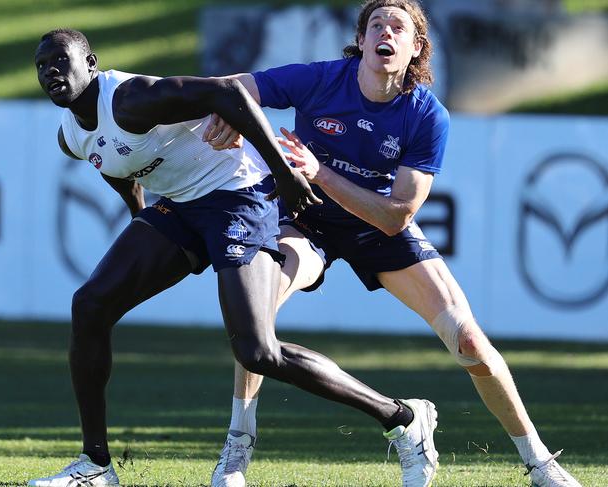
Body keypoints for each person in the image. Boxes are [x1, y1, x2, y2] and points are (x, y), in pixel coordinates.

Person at [29, 27, 440, 487]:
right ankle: (96, 466)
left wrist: (283, 172)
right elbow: (115, 165)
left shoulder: (132, 98)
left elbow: (227, 92)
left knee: (258, 352)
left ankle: (402, 417)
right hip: (181, 208)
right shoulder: (71, 134)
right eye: (42, 66)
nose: (51, 72)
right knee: (89, 306)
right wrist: (139, 217)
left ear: (91, 64)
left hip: (237, 196)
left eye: (60, 61)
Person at [205, 1, 583, 487]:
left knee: (468, 340)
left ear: (415, 48)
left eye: (397, 27)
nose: (385, 32)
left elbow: (397, 214)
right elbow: (234, 88)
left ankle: (539, 462)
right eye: (375, 25)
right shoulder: (321, 79)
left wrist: (321, 172)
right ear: (361, 41)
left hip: (373, 220)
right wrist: (227, 111)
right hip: (305, 219)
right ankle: (237, 448)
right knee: (255, 314)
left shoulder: (427, 114)